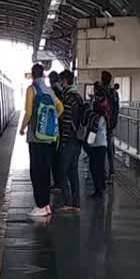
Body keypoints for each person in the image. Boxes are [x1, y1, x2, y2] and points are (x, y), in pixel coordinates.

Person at [20, 64, 64, 217]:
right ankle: (46, 205)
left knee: (36, 172)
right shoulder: (50, 91)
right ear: (43, 75)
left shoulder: (31, 90)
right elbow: (61, 108)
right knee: (45, 171)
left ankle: (40, 205)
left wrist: (22, 128)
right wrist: (52, 122)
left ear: (33, 75)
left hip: (36, 138)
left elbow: (28, 112)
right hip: (49, 138)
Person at [57, 70, 86, 211]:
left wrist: (62, 141)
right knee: (73, 171)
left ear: (65, 81)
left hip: (69, 141)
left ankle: (68, 202)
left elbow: (67, 122)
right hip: (79, 139)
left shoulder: (68, 98)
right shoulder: (78, 97)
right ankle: (76, 203)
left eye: (61, 81)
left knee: (61, 171)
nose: (60, 84)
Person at [84, 82, 109, 198]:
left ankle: (98, 190)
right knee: (99, 167)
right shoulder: (104, 114)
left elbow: (93, 130)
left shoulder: (97, 116)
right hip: (102, 144)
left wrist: (88, 143)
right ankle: (101, 188)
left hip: (96, 145)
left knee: (95, 168)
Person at [100, 71, 119, 183]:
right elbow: (117, 109)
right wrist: (113, 123)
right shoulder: (114, 93)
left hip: (102, 125)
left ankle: (103, 173)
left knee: (101, 148)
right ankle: (112, 171)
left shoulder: (102, 92)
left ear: (102, 80)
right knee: (110, 148)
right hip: (111, 124)